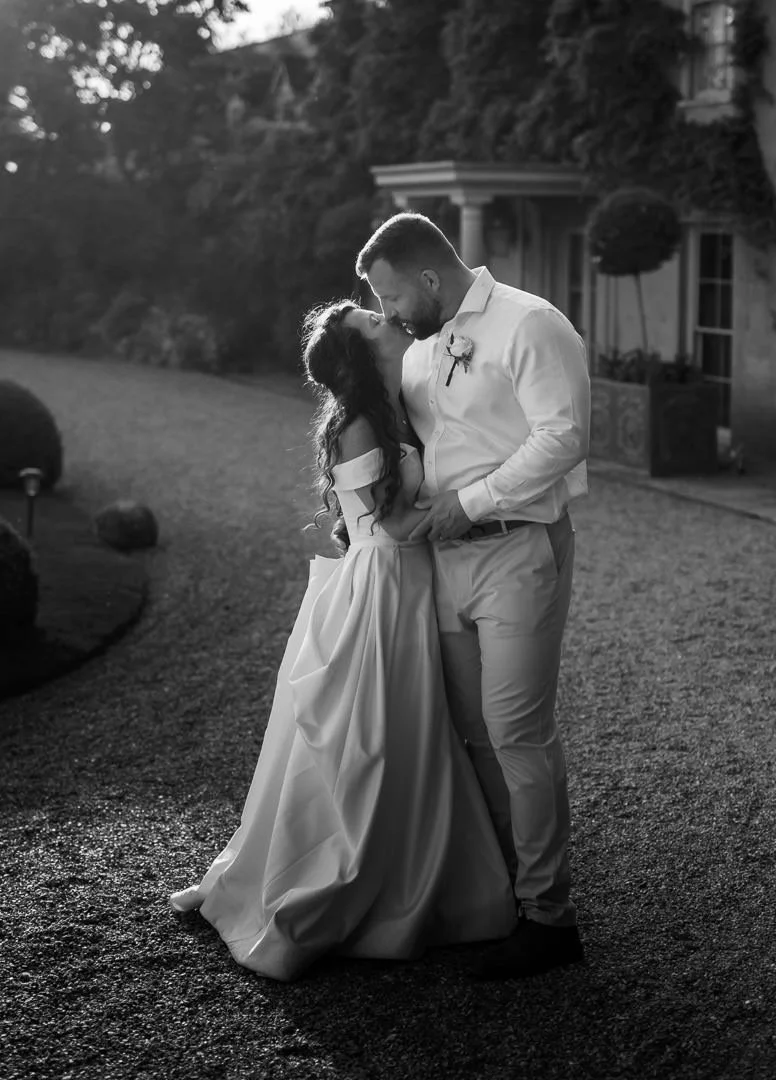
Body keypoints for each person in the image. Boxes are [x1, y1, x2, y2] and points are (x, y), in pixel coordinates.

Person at [169, 300, 517, 981]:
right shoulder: (359, 424)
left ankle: (420, 866)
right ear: (360, 353)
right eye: (368, 317)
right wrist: (484, 504)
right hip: (383, 588)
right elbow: (392, 527)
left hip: (410, 585)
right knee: (372, 737)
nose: (381, 316)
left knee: (412, 733)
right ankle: (337, 877)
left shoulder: (398, 403)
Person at [355, 212, 591, 980]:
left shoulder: (531, 324)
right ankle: (501, 894)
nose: (388, 316)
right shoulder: (422, 347)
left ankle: (550, 922)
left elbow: (564, 436)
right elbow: (419, 445)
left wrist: (474, 502)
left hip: (517, 551)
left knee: (518, 731)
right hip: (442, 566)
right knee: (473, 734)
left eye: (392, 298)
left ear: (429, 277)